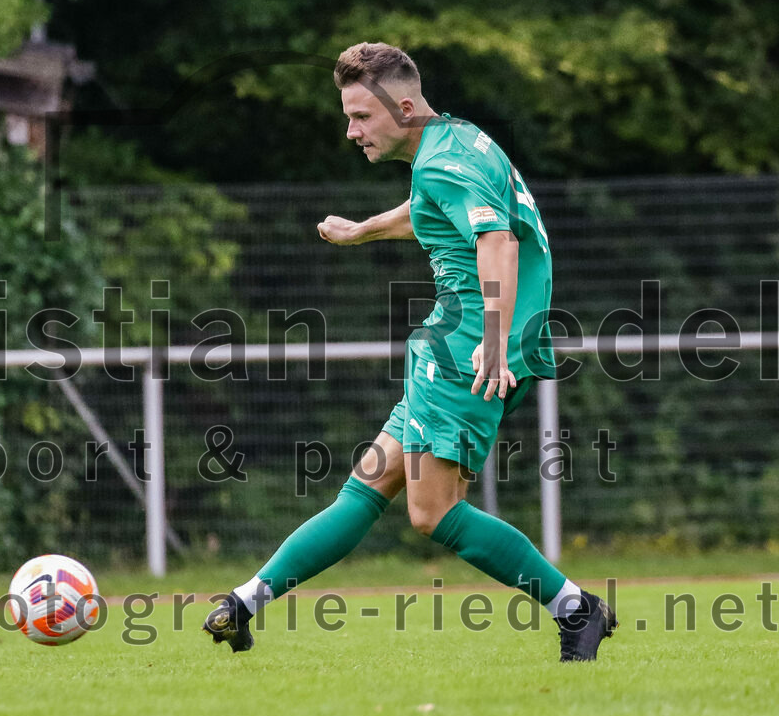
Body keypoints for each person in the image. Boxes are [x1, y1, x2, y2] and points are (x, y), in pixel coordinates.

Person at [203, 42, 617, 661]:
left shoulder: (443, 164)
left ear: (402, 107)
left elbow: (497, 240)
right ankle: (243, 605)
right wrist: (363, 229)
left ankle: (577, 610)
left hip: (464, 347)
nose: (352, 131)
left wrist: (493, 341)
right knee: (367, 487)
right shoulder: (455, 141)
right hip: (462, 341)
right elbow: (432, 210)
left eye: (361, 117)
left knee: (433, 513)